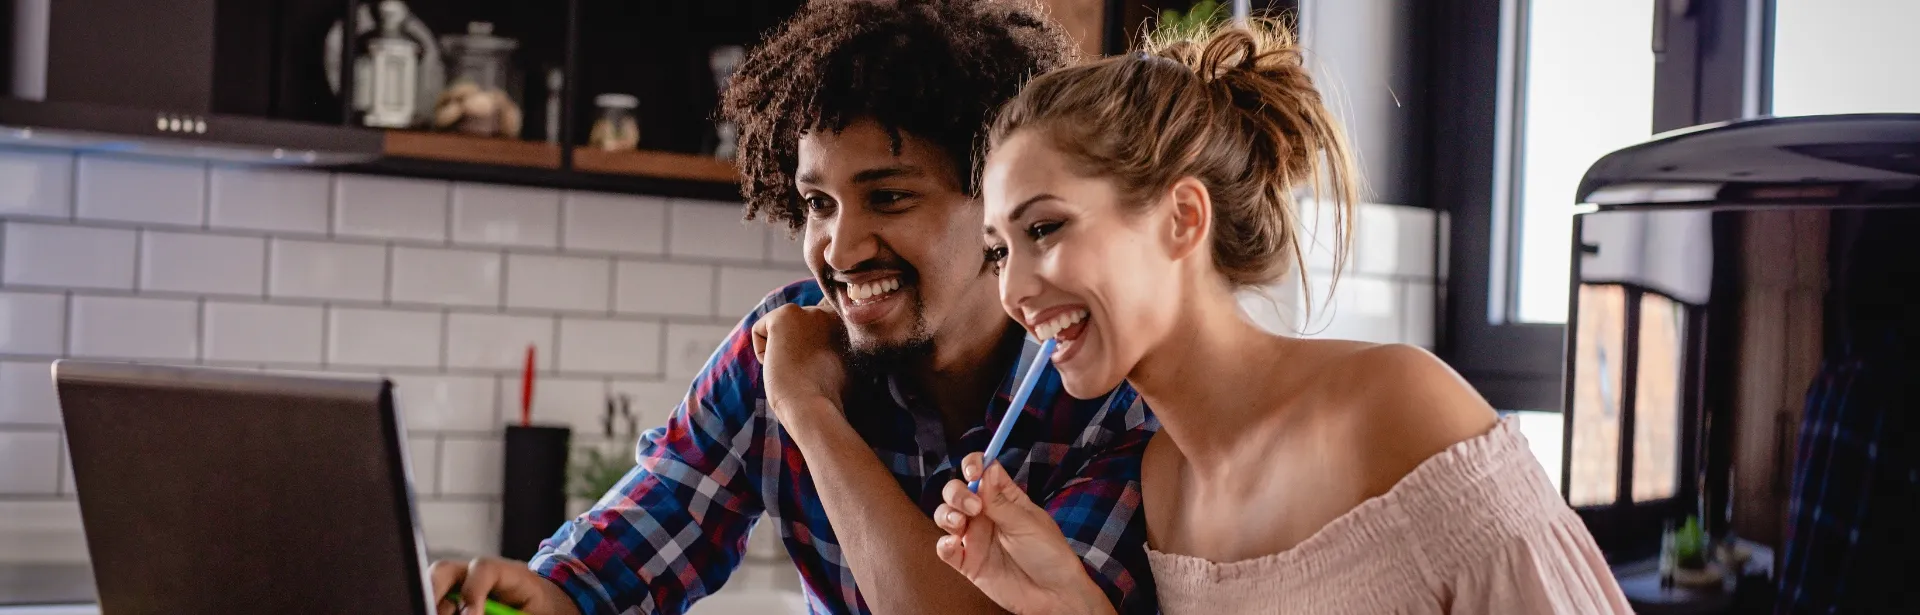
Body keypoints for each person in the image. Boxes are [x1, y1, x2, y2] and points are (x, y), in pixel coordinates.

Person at [429, 1, 1159, 614]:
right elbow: (626, 553)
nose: (839, 251)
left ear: (998, 206)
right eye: (818, 204)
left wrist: (812, 413)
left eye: (889, 197)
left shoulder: (1106, 397)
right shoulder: (782, 343)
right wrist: (542, 591)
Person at [932, 21, 1632, 614]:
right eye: (998, 251)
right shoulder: (1166, 486)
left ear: (1182, 219)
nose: (1014, 288)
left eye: (1046, 228)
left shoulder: (1392, 407)